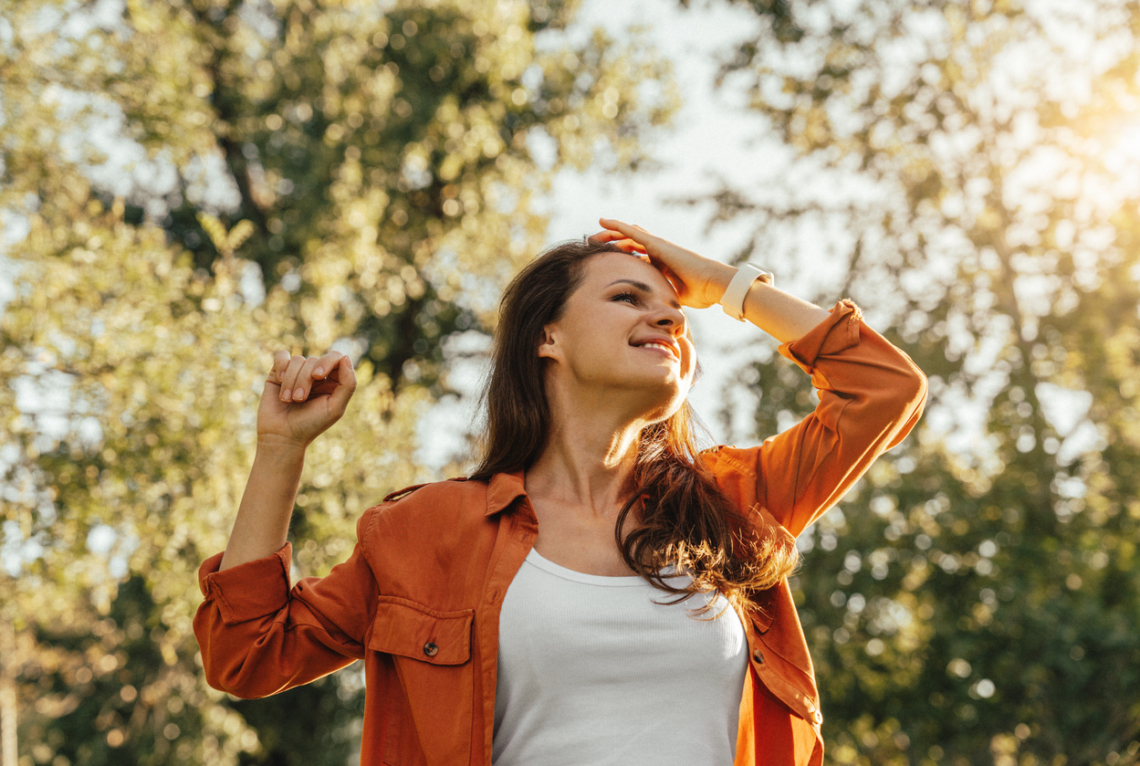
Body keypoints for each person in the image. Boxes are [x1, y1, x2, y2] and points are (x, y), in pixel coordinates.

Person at [193, 219, 927, 766]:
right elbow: (249, 654)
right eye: (627, 296)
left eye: (677, 310)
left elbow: (883, 390)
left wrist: (727, 286)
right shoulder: (427, 530)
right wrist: (280, 451)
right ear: (548, 338)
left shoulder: (733, 502)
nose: (670, 316)